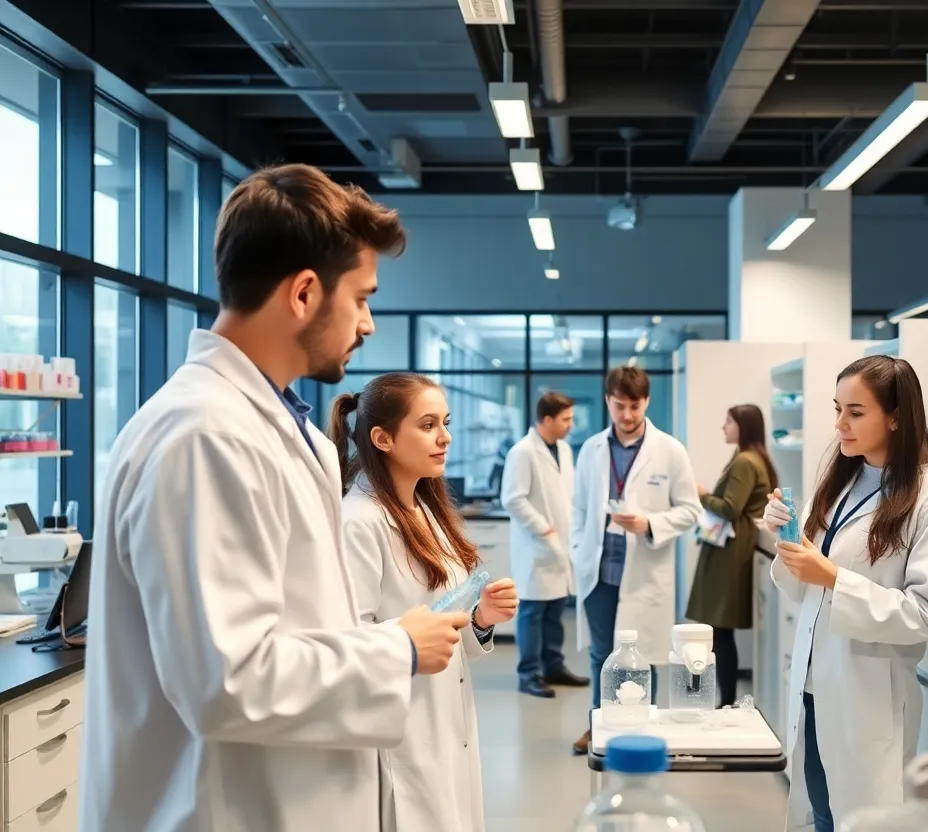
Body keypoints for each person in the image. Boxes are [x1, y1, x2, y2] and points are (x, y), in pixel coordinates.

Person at [79, 164, 472, 832]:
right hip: (221, 811)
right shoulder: (204, 437)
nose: (368, 324)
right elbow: (225, 679)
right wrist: (396, 649)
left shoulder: (278, 430)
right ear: (304, 294)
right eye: (362, 299)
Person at [762, 355, 928, 831]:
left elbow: (923, 615)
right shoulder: (844, 480)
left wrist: (833, 577)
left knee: (856, 819)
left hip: (868, 695)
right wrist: (789, 541)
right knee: (820, 814)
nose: (840, 424)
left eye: (855, 412)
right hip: (815, 686)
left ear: (896, 416)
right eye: (837, 409)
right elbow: (803, 591)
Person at [331, 372, 519, 832]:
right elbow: (342, 643)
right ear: (383, 438)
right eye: (428, 425)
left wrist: (480, 618)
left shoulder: (424, 509)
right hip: (403, 728)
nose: (445, 437)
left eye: (446, 423)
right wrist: (406, 639)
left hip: (445, 720)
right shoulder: (360, 521)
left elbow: (441, 616)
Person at [569, 365, 701, 754]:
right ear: (608, 400)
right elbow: (577, 508)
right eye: (619, 406)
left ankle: (642, 728)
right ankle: (598, 726)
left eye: (634, 406)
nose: (626, 415)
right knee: (599, 654)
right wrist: (578, 550)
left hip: (644, 569)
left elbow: (690, 510)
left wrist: (649, 522)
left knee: (643, 657)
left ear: (647, 402)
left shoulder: (670, 450)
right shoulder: (592, 449)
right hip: (598, 570)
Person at [685, 404, 778, 707]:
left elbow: (729, 508)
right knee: (719, 631)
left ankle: (724, 702)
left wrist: (700, 495)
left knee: (719, 631)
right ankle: (722, 699)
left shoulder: (745, 461)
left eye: (728, 422)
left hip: (728, 553)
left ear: (743, 426)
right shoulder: (751, 458)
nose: (723, 427)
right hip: (731, 549)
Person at [501, 390, 590, 698]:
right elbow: (513, 499)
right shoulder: (523, 452)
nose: (570, 424)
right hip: (536, 546)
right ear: (548, 419)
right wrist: (543, 529)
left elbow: (570, 493)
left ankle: (554, 666)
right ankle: (529, 674)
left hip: (561, 543)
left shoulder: (563, 449)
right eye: (566, 419)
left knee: (554, 610)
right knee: (533, 612)